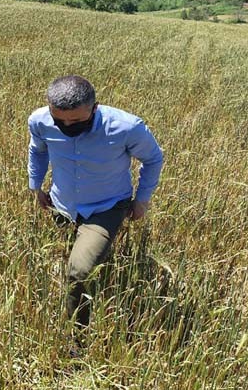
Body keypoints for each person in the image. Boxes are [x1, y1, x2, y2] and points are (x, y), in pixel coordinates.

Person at [27, 75, 164, 330]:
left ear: (95, 107)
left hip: (107, 207)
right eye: (60, 120)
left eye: (77, 121)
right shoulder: (40, 121)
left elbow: (153, 159)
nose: (67, 125)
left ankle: (76, 336)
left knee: (79, 271)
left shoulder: (126, 127)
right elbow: (38, 150)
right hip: (62, 204)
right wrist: (35, 186)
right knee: (69, 253)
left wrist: (142, 200)